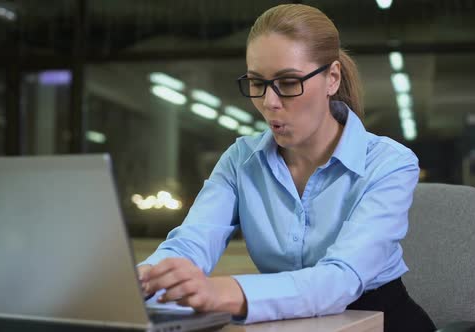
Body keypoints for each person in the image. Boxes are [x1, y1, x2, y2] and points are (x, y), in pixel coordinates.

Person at [137, 4, 436, 331]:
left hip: (379, 321)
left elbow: (340, 278)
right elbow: (188, 245)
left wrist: (223, 291)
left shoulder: (389, 163)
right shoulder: (241, 160)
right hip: (288, 323)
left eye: (289, 82)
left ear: (331, 78)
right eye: (257, 83)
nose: (269, 102)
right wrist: (146, 280)